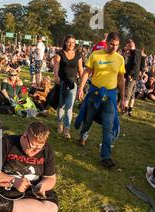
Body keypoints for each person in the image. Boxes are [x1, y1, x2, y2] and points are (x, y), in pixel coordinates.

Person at [75, 32, 126, 169]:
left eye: (116, 45)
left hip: (110, 97)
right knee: (88, 119)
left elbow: (121, 79)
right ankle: (83, 135)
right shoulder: (95, 55)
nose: (114, 47)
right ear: (107, 42)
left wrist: (123, 99)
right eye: (111, 44)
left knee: (108, 126)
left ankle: (106, 157)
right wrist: (80, 89)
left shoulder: (120, 59)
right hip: (94, 93)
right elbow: (86, 72)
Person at [53, 35, 83, 139]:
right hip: (62, 82)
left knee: (69, 107)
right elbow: (56, 66)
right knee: (61, 105)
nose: (71, 44)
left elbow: (80, 70)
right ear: (65, 42)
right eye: (69, 42)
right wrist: (56, 76)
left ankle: (66, 129)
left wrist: (82, 85)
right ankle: (60, 124)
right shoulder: (59, 54)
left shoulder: (78, 55)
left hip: (73, 84)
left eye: (73, 43)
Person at [123, 39, 141, 116]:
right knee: (132, 93)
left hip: (132, 77)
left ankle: (125, 110)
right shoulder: (137, 53)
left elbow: (135, 65)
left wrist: (130, 74)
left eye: (127, 46)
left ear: (130, 46)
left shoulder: (135, 53)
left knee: (128, 92)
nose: (126, 48)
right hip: (135, 76)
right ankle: (130, 110)